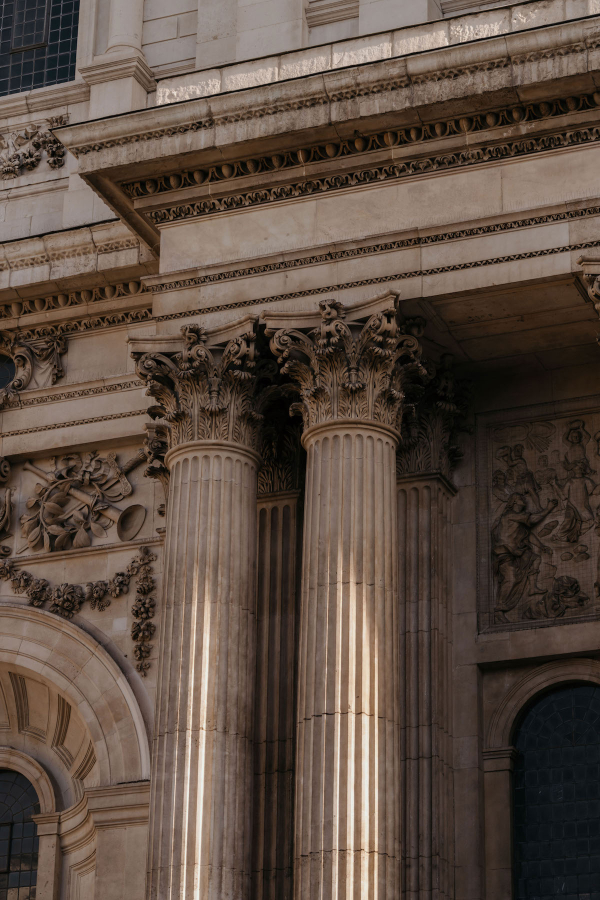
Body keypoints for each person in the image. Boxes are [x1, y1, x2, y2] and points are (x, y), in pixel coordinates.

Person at [492, 493, 558, 623]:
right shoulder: (510, 515)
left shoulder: (519, 520)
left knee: (535, 559)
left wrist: (542, 546)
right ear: (514, 503)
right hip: (505, 552)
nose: (523, 500)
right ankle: (499, 610)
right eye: (520, 499)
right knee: (510, 578)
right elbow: (532, 520)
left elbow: (527, 535)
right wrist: (548, 508)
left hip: (518, 552)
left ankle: (532, 587)